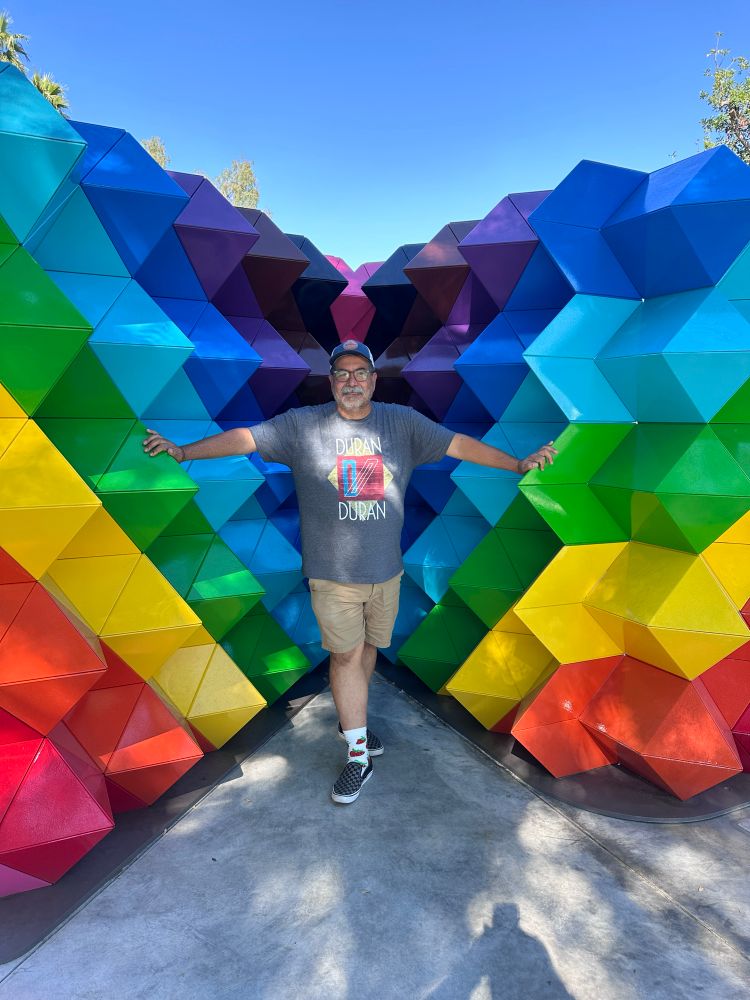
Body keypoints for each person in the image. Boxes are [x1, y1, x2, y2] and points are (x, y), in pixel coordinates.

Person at [143, 339, 556, 804]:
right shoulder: (303, 425)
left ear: (374, 380)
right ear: (332, 380)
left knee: (367, 652)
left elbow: (458, 445)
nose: (352, 381)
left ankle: (352, 723)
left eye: (361, 372)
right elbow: (247, 438)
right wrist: (184, 453)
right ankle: (358, 755)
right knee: (345, 657)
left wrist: (517, 464)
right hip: (333, 574)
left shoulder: (401, 422)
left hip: (387, 572)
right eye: (342, 373)